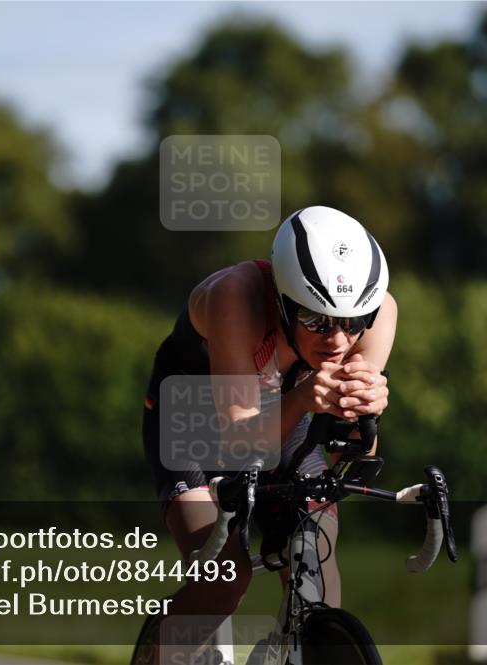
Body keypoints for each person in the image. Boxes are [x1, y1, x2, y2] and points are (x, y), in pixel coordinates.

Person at [141, 205, 397, 642]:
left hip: (280, 413)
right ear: (281, 300)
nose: (337, 340)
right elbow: (240, 445)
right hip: (188, 418)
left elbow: (351, 455)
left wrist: (365, 414)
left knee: (314, 564)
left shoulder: (379, 311)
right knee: (224, 579)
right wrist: (304, 397)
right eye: (315, 320)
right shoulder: (235, 297)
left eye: (352, 322)